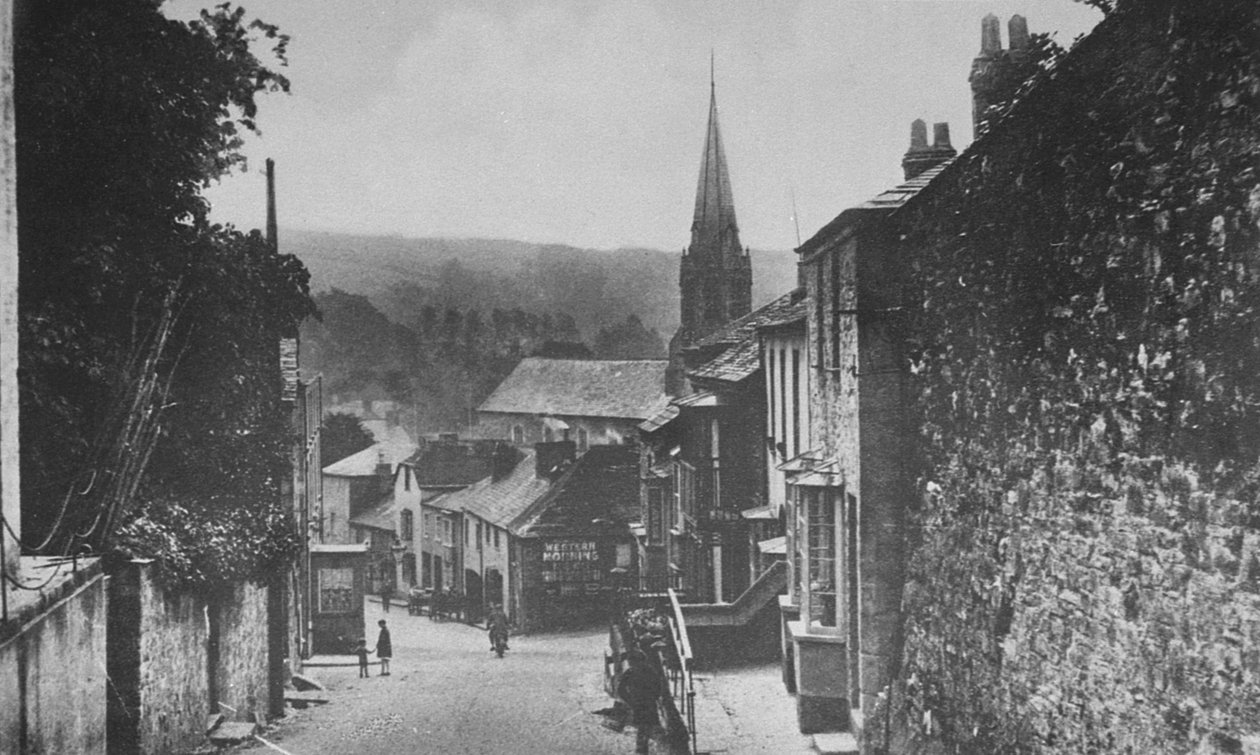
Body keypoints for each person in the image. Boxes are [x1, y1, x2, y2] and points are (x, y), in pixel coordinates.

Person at [616, 651, 662, 755]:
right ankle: (642, 749)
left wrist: (630, 700)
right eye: (631, 662)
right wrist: (630, 701)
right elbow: (621, 690)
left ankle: (643, 748)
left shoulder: (644, 671)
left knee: (646, 727)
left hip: (645, 703)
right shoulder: (634, 672)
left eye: (634, 662)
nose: (633, 664)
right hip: (641, 703)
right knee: (643, 727)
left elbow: (658, 686)